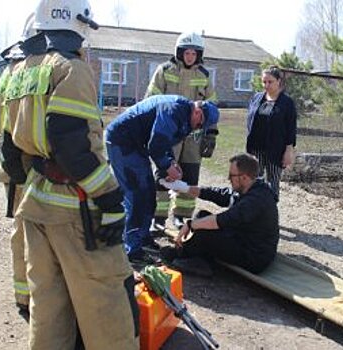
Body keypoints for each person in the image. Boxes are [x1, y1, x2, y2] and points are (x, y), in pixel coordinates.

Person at [1, 0, 139, 348]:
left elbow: (10, 152)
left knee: (49, 309)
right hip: (75, 208)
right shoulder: (71, 69)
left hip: (35, 204)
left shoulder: (19, 72)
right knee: (107, 305)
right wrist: (109, 198)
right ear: (79, 24)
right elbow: (71, 145)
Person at [104, 95, 219, 264]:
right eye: (201, 124)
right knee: (136, 196)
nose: (199, 129)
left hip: (136, 144)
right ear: (197, 112)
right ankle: (132, 250)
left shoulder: (185, 118)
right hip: (121, 141)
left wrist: (171, 162)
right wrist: (167, 166)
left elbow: (165, 144)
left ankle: (142, 239)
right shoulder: (172, 110)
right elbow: (156, 144)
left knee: (149, 194)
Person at [145, 32, 219, 231]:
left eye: (194, 54)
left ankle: (181, 216)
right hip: (168, 132)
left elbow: (212, 106)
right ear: (179, 52)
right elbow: (151, 100)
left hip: (193, 138)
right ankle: (158, 217)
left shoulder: (203, 76)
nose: (189, 57)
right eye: (186, 53)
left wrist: (211, 133)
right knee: (163, 174)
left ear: (199, 55)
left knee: (190, 174)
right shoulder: (164, 71)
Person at [161, 153, 279, 275]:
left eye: (232, 175)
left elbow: (221, 221)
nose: (229, 179)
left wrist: (191, 224)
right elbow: (219, 194)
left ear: (244, 177)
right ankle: (201, 259)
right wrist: (183, 187)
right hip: (244, 238)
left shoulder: (255, 200)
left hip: (255, 256)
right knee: (202, 216)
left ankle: (183, 254)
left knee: (204, 232)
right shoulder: (250, 187)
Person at [0, 13, 37, 323]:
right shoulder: (20, 70)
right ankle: (25, 296)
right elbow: (5, 125)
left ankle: (30, 294)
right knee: (23, 232)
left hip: (23, 164)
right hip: (20, 164)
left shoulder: (24, 68)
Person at [246, 65, 297, 200]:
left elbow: (291, 128)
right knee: (253, 180)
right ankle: (252, 212)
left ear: (278, 81)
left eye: (270, 82)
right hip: (256, 148)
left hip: (275, 150)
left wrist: (289, 150)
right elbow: (250, 121)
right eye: (264, 82)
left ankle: (269, 215)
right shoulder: (256, 98)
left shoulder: (287, 103)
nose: (266, 85)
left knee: (272, 182)